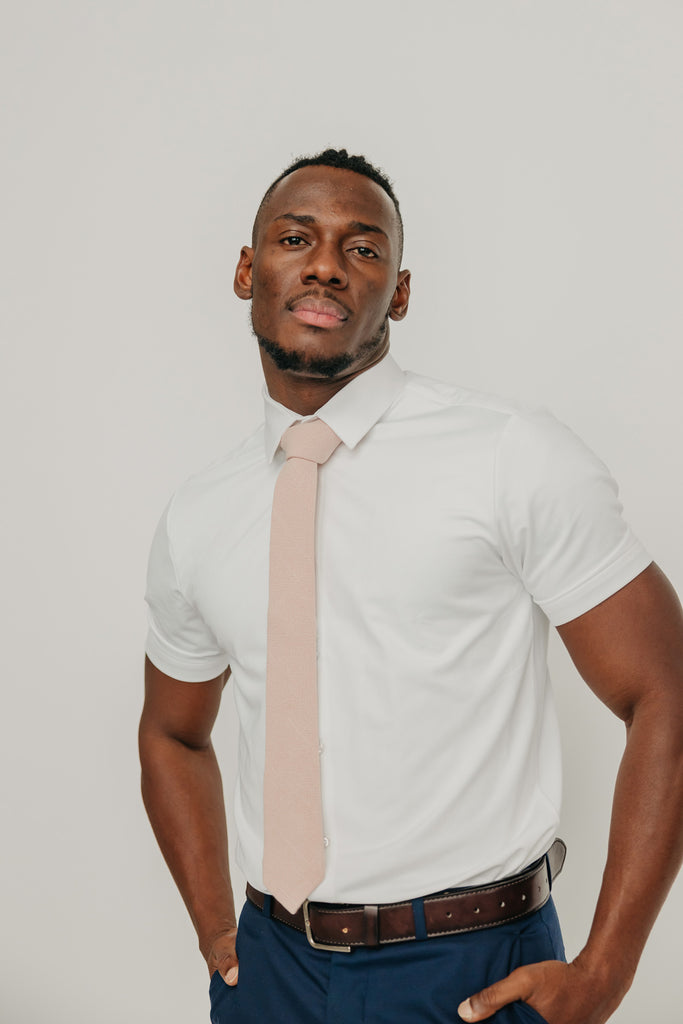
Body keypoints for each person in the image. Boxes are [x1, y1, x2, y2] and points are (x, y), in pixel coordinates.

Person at [139, 148, 683, 1024]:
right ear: (247, 270)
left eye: (362, 249)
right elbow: (172, 733)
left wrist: (604, 973)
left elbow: (665, 691)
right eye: (293, 238)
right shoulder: (201, 512)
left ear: (398, 292)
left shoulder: (509, 455)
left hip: (470, 972)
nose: (324, 264)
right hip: (271, 973)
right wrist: (216, 930)